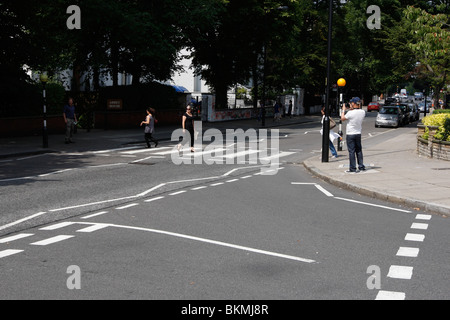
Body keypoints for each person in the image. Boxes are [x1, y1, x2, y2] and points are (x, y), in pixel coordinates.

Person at [341, 97, 366, 172]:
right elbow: (355, 112)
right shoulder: (362, 112)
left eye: (351, 103)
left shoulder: (350, 113)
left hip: (350, 134)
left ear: (354, 104)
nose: (350, 104)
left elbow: (342, 118)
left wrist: (343, 110)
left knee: (352, 151)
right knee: (359, 150)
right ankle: (361, 166)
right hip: (358, 133)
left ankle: (352, 168)